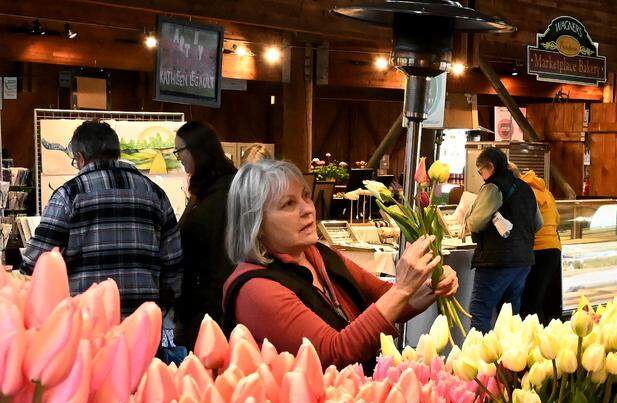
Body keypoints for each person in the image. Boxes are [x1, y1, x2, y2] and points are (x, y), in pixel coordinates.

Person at [222, 160, 458, 368]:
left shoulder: (317, 254)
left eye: (306, 196)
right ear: (256, 225)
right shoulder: (256, 289)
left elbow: (385, 298)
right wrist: (403, 288)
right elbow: (334, 353)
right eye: (288, 204)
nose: (307, 209)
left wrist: (430, 288)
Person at [21, 120, 182, 317]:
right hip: (142, 317)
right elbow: (173, 260)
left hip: (88, 318)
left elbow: (38, 259)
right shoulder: (155, 193)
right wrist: (165, 302)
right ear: (117, 153)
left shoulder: (69, 194)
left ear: (80, 157)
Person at [173, 120, 237, 346]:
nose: (178, 158)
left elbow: (220, 253)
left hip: (212, 305)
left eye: (179, 151)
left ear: (196, 149)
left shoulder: (221, 192)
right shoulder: (208, 188)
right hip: (204, 300)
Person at [464, 147, 541, 332]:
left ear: (490, 166)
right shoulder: (526, 188)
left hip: (496, 261)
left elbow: (475, 224)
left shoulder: (493, 187)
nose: (481, 177)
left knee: (480, 312)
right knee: (510, 316)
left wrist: (469, 217)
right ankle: (509, 350)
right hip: (523, 261)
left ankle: (479, 350)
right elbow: (539, 223)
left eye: (481, 171)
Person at [517, 164, 562, 323]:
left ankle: (535, 333)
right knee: (548, 300)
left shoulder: (522, 191)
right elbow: (557, 219)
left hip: (537, 248)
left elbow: (523, 222)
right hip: (554, 247)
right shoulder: (545, 190)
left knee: (531, 301)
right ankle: (551, 332)